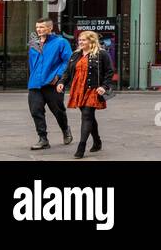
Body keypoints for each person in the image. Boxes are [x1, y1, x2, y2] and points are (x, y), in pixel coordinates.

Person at [55, 30, 112, 159]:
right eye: (80, 40)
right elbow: (68, 72)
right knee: (89, 116)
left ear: (92, 40)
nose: (80, 42)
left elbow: (109, 72)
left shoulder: (102, 54)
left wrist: (104, 86)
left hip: (93, 89)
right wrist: (62, 82)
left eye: (84, 40)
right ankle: (97, 141)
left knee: (87, 115)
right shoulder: (75, 55)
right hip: (78, 89)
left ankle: (81, 147)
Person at [27, 17, 73, 151]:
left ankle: (65, 129)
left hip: (52, 83)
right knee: (36, 111)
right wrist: (33, 77)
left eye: (41, 27)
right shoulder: (33, 44)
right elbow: (31, 63)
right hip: (35, 84)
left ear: (50, 28)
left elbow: (68, 61)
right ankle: (43, 139)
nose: (38, 30)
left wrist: (58, 75)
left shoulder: (61, 42)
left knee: (58, 111)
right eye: (37, 27)